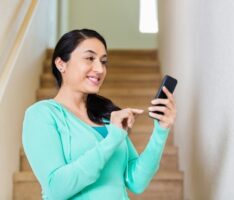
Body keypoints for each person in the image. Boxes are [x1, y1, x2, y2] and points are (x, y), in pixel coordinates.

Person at [22, 29, 177, 200]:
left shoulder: (106, 117)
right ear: (61, 64)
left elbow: (136, 181)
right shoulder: (42, 115)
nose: (100, 69)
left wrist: (161, 131)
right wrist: (112, 139)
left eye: (103, 62)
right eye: (89, 58)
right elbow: (56, 188)